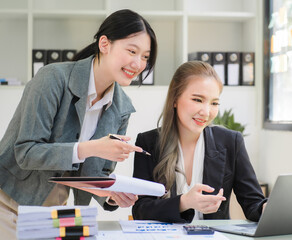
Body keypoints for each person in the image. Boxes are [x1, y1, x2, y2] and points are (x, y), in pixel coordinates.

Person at [0, 9, 157, 238]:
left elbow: (96, 174)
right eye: (132, 51)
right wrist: (92, 147)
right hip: (9, 204)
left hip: (56, 212)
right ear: (105, 44)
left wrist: (112, 194)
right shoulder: (52, 79)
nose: (138, 63)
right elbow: (26, 152)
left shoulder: (122, 107)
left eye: (145, 56)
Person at [132, 61, 267, 223]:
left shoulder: (231, 142)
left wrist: (267, 208)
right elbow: (141, 209)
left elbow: (253, 204)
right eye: (197, 100)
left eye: (214, 103)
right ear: (175, 99)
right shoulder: (148, 142)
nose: (206, 112)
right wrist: (185, 202)